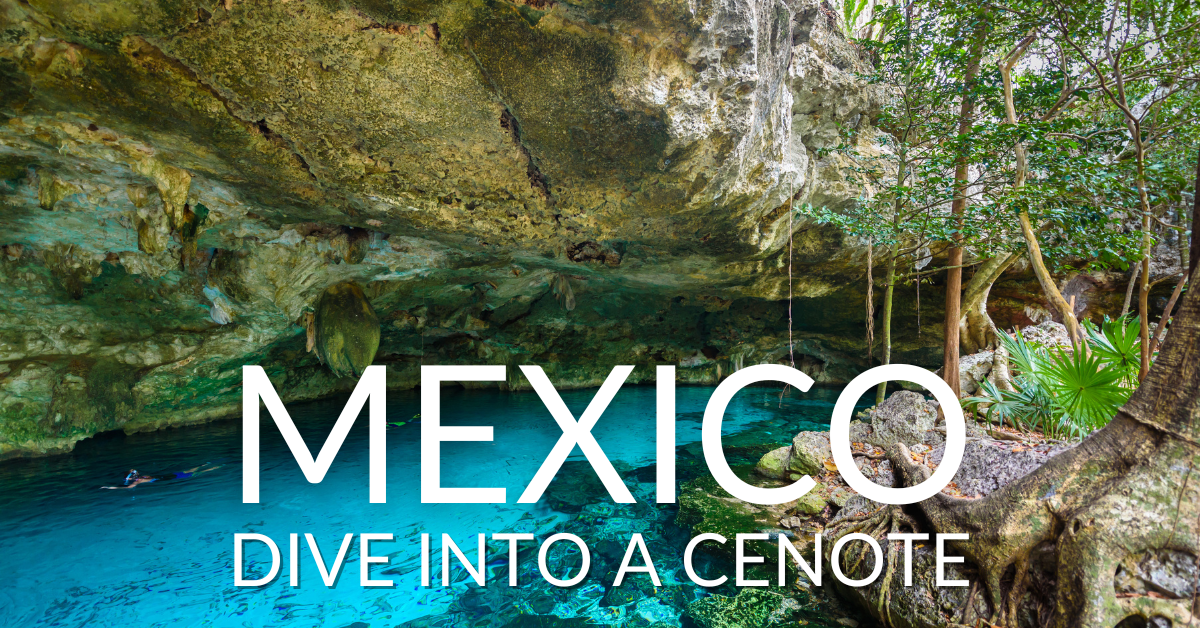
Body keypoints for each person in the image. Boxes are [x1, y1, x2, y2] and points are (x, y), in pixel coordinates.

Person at [102, 463, 220, 489]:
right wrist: (110, 487)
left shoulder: (138, 479)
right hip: (165, 477)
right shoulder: (137, 482)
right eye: (134, 473)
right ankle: (211, 467)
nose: (136, 472)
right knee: (189, 473)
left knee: (187, 472)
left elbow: (127, 484)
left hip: (165, 476)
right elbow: (127, 487)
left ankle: (208, 466)